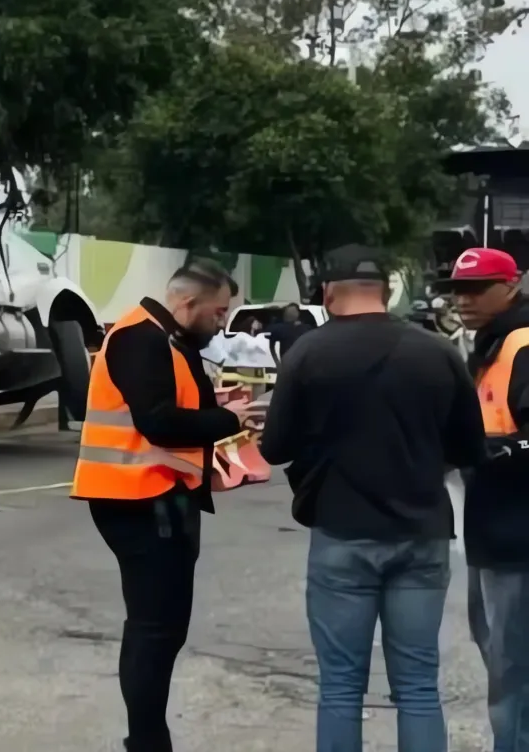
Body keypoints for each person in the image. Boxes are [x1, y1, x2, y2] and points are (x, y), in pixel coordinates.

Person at [260, 245, 485, 752]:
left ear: (327, 293)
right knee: (419, 688)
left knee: (340, 687)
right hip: (423, 533)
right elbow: (471, 448)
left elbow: (275, 448)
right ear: (385, 292)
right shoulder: (438, 352)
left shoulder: (308, 353)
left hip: (342, 532)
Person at [71, 259, 265, 752]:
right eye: (219, 312)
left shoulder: (169, 340)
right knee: (154, 629)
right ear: (187, 303)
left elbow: (167, 404)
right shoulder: (142, 337)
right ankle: (147, 741)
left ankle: (148, 737)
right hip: (138, 499)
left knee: (162, 628)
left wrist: (214, 401)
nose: (223, 323)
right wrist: (225, 418)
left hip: (155, 497)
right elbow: (157, 420)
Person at [444, 247, 529, 751]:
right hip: (490, 527)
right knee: (500, 655)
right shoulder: (490, 345)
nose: (464, 299)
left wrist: (482, 453)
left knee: (512, 666)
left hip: (518, 534)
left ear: (512, 286)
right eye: (457, 289)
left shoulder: (522, 344)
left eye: (477, 289)